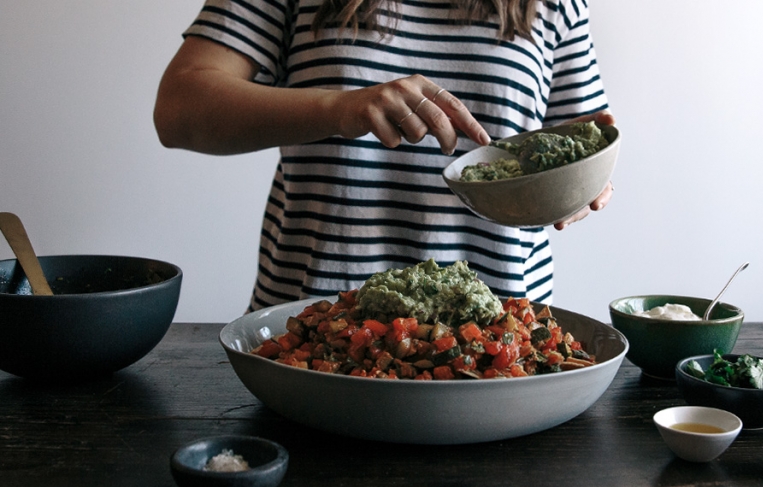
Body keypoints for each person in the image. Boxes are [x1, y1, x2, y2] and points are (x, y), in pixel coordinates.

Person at [154, 0, 614, 312]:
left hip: (503, 338)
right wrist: (341, 107)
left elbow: (587, 138)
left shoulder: (556, 4)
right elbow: (179, 109)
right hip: (314, 328)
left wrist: (584, 186)